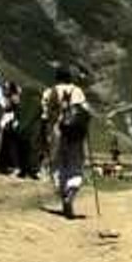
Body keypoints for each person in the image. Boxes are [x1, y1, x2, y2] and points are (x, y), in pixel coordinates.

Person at [41, 67, 90, 219]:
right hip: (75, 135)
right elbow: (84, 112)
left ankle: (63, 193)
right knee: (75, 165)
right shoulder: (77, 91)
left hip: (56, 133)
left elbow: (44, 114)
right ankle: (71, 190)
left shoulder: (49, 92)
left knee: (57, 165)